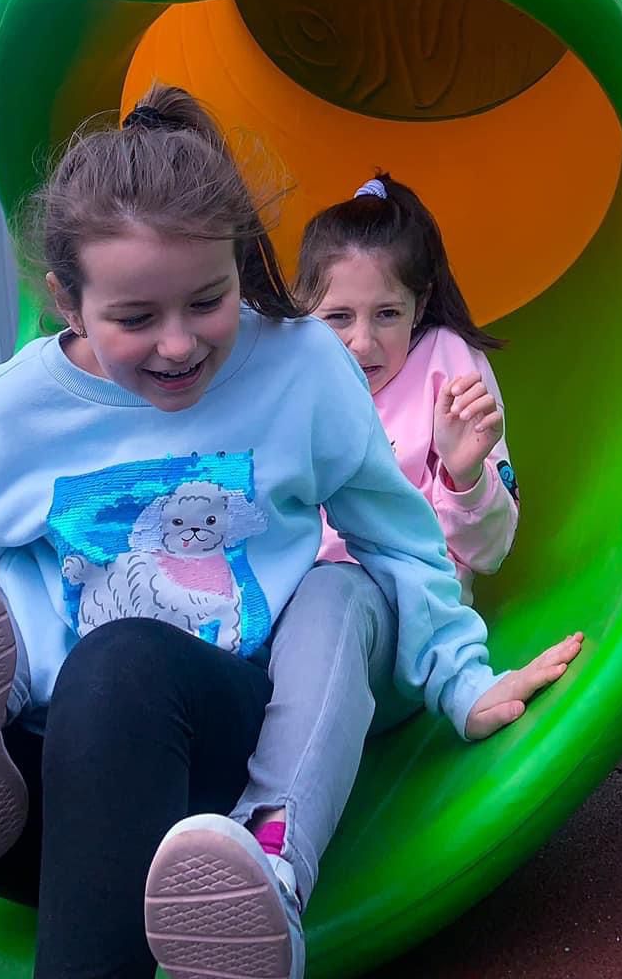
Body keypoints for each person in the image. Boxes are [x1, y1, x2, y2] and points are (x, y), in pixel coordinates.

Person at [0, 86, 579, 979]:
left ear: (241, 264)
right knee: (10, 617)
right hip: (68, 747)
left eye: (207, 302)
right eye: (135, 318)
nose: (177, 345)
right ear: (67, 302)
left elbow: (398, 540)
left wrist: (459, 677)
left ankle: (268, 854)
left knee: (300, 600)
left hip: (229, 720)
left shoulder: (299, 367)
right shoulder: (22, 407)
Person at [224, 171, 521, 939]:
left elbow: (488, 551)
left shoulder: (446, 367)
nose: (364, 341)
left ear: (419, 307)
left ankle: (272, 856)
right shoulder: (291, 372)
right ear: (303, 311)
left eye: (387, 314)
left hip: (403, 634)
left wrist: (465, 474)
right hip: (276, 632)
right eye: (338, 317)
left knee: (335, 588)